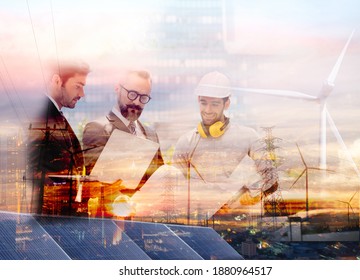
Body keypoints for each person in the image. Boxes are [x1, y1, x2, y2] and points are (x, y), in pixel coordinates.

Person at [172, 71, 278, 217]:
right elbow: (175, 187)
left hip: (240, 222)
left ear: (226, 103)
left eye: (214, 104)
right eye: (204, 103)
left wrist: (253, 194)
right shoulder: (186, 142)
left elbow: (271, 177)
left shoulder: (248, 137)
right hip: (202, 221)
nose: (208, 110)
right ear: (198, 101)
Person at [82, 70, 164, 217]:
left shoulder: (151, 134)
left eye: (144, 97)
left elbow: (158, 179)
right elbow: (97, 182)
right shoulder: (97, 128)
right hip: (109, 221)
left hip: (145, 222)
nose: (137, 102)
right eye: (132, 94)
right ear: (117, 88)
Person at [28, 60, 91, 216]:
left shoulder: (54, 115)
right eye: (78, 86)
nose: (82, 95)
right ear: (57, 80)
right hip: (49, 216)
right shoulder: (40, 115)